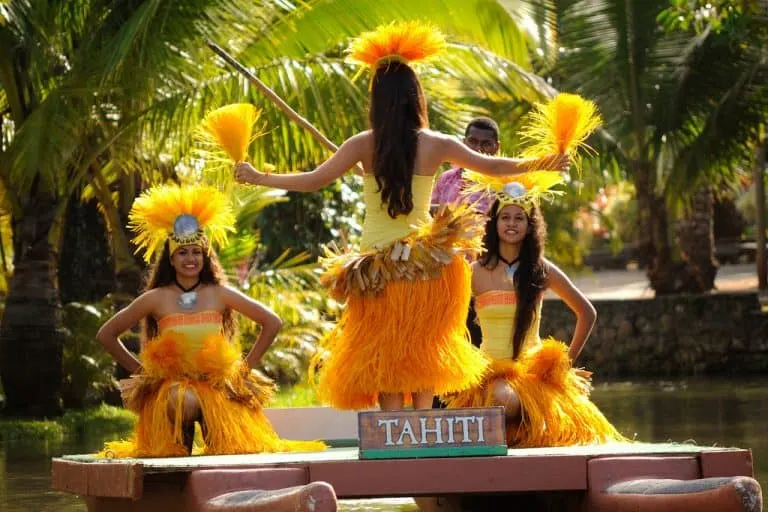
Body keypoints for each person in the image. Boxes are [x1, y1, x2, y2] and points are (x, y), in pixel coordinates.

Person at [234, 21, 569, 412]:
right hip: (428, 264)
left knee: (386, 352)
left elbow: (312, 181)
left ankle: (393, 429)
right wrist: (545, 161)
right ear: (416, 98)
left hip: (375, 266)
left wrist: (259, 176)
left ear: (377, 100)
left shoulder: (362, 144)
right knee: (426, 348)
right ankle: (424, 424)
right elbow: (493, 166)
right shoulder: (436, 144)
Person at [95, 184, 326, 457]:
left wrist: (244, 370)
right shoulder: (156, 298)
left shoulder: (219, 294)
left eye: (196, 252)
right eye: (182, 253)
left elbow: (272, 321)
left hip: (217, 386)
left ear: (205, 256)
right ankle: (176, 460)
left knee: (221, 430)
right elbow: (106, 334)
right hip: (173, 388)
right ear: (171, 259)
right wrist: (143, 374)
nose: (190, 259)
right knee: (183, 400)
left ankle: (215, 456)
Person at [444, 171, 626, 447]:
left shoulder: (542, 269)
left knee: (511, 402)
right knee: (501, 398)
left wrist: (564, 364)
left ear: (530, 226)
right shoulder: (475, 272)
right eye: (505, 217)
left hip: (533, 374)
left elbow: (586, 312)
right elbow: (448, 321)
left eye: (519, 218)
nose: (512, 224)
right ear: (494, 223)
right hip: (491, 375)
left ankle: (526, 430)